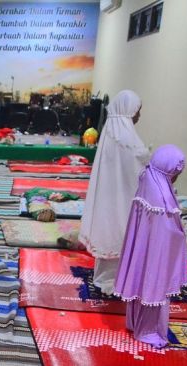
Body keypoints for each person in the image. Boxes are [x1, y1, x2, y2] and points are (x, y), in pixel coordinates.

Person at [114, 145, 187, 348]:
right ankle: (149, 330)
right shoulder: (160, 196)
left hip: (144, 247)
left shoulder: (149, 177)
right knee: (153, 288)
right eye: (176, 174)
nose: (176, 178)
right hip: (157, 252)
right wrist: (181, 234)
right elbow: (167, 230)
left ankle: (134, 322)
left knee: (140, 284)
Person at [78, 90, 150, 294]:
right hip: (125, 197)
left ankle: (107, 278)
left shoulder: (112, 133)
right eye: (138, 110)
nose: (139, 115)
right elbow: (138, 167)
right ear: (128, 111)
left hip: (110, 196)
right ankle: (118, 281)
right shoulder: (128, 139)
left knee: (110, 230)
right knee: (121, 233)